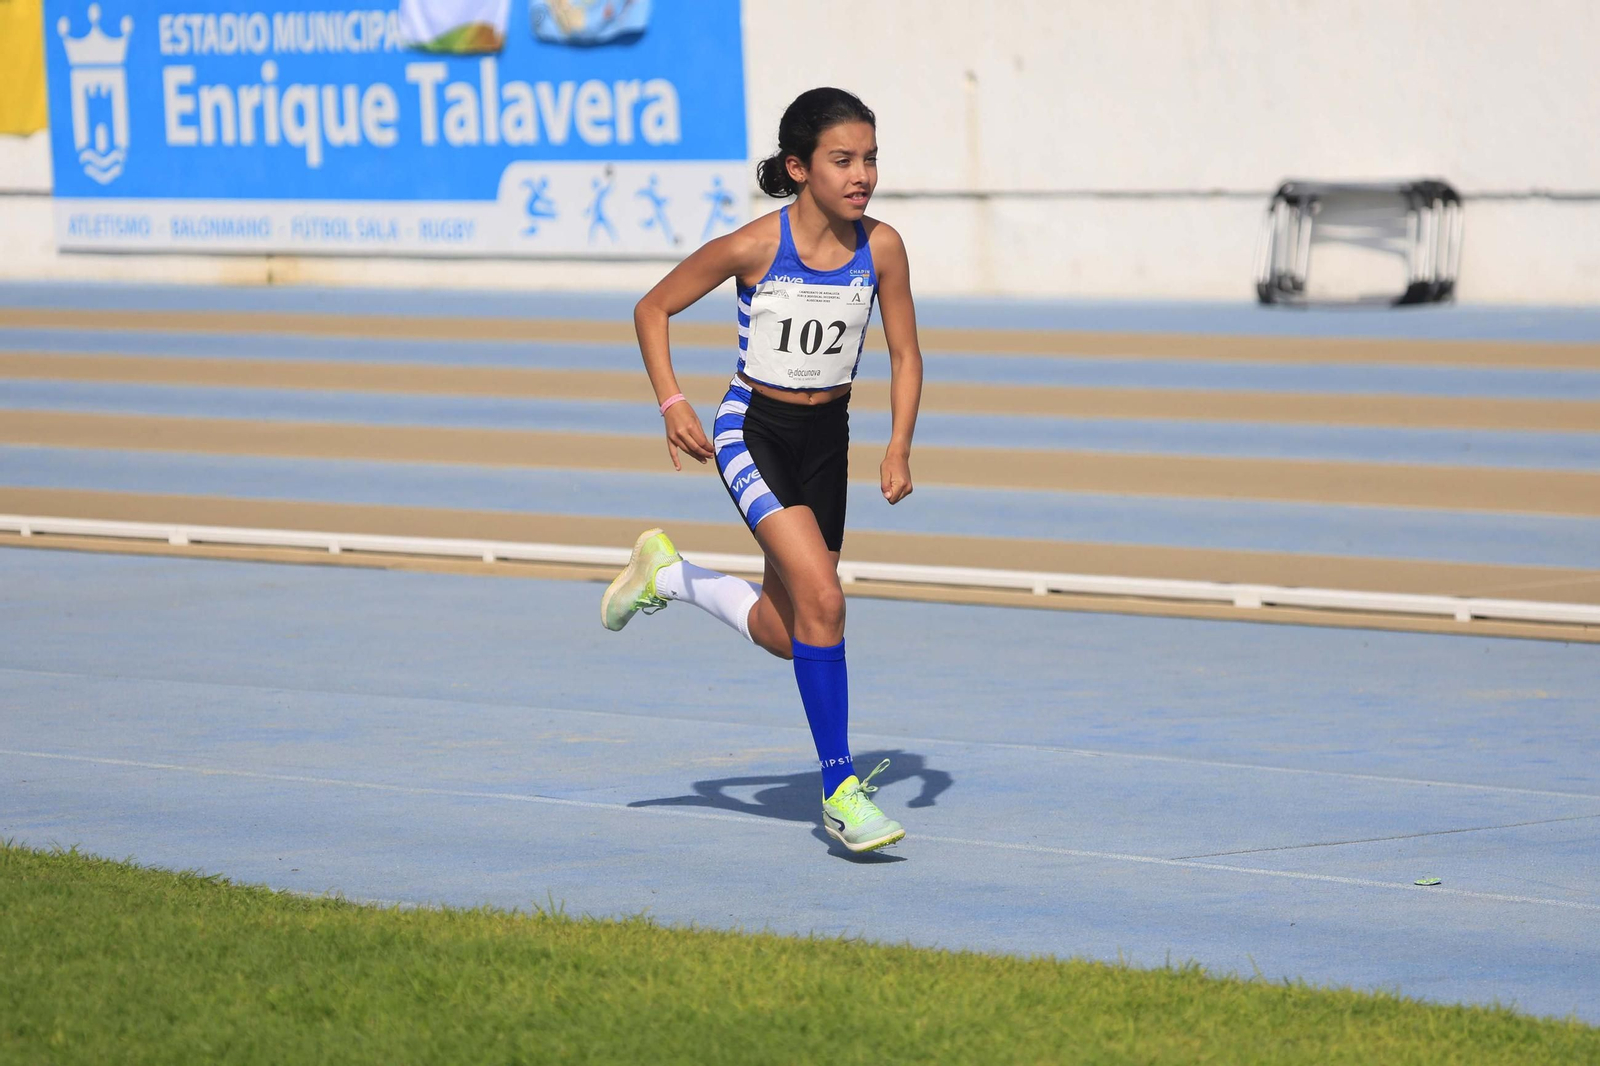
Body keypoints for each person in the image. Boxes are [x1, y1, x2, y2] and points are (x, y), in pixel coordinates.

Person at [601, 87, 924, 854]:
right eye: (843, 160)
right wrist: (671, 403)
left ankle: (669, 577)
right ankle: (841, 791)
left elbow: (907, 353)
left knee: (789, 630)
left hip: (828, 440)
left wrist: (898, 446)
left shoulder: (883, 247)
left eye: (871, 158)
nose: (862, 175)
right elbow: (653, 308)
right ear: (798, 167)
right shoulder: (753, 246)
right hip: (755, 431)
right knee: (825, 601)